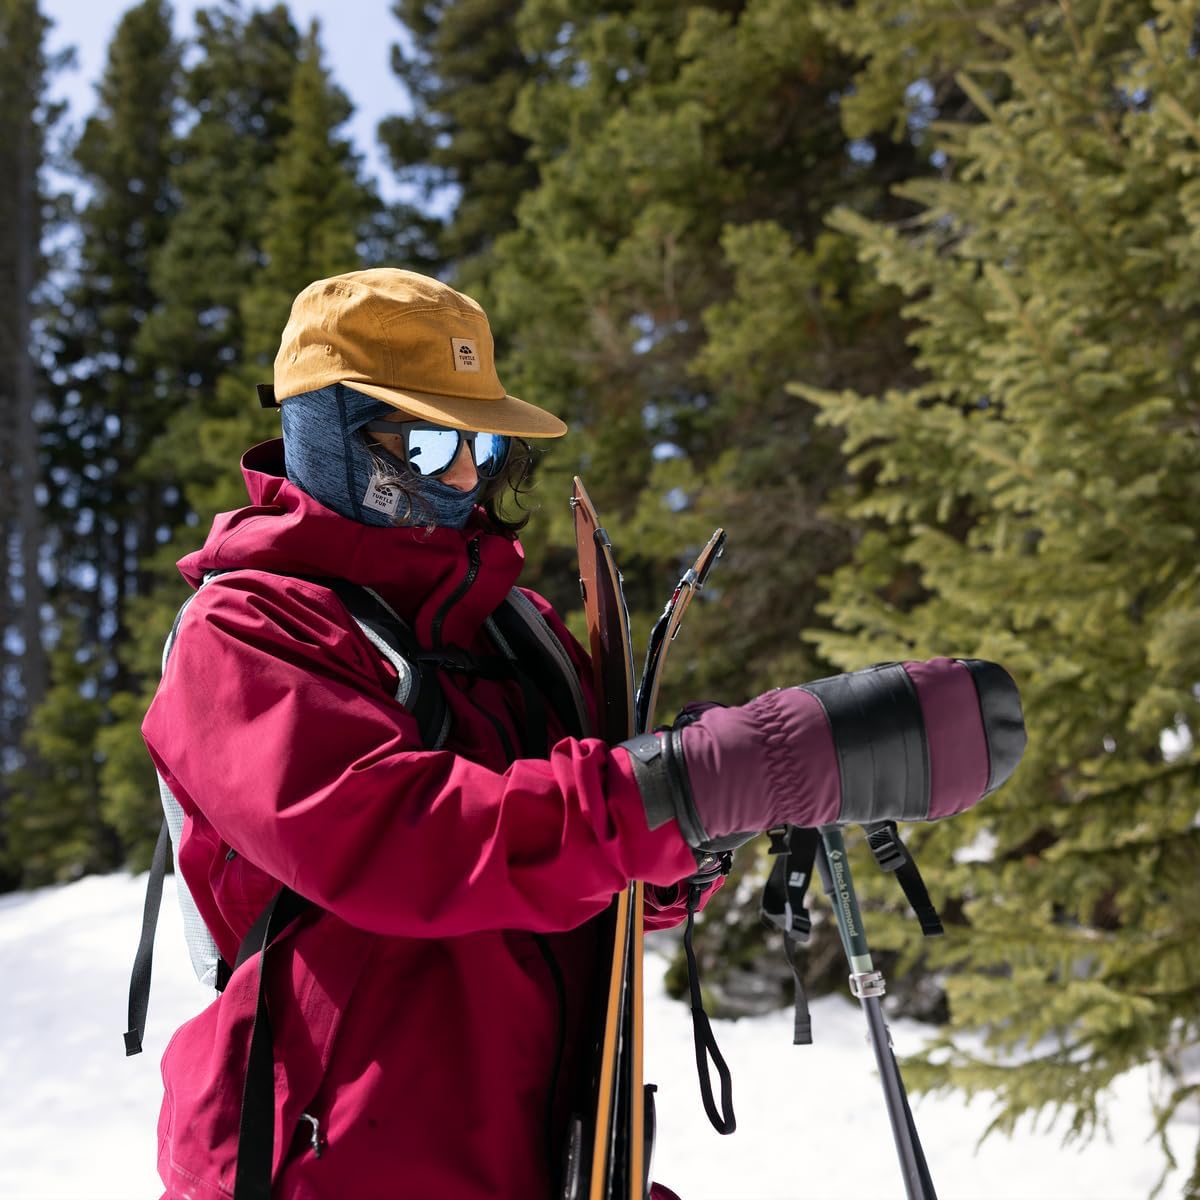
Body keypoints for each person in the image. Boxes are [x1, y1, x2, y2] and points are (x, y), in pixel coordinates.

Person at [141, 268, 1025, 1200]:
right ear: (324, 432)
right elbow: (402, 844)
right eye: (432, 442)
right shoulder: (247, 631)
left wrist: (693, 836)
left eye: (483, 443)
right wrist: (692, 784)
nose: (466, 477)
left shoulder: (514, 630)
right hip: (327, 1167)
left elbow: (595, 875)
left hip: (546, 1153)